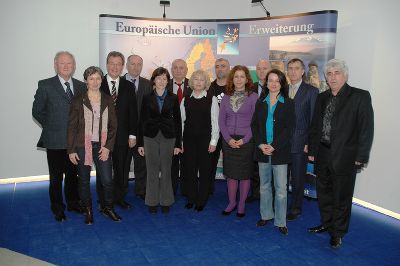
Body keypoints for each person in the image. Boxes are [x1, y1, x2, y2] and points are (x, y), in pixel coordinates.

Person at [307, 59, 374, 248]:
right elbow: (315, 127)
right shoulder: (322, 97)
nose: (333, 77)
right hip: (322, 153)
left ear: (345, 75)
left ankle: (338, 233)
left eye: (337, 72)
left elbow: (366, 129)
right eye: (329, 73)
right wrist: (312, 150)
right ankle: (327, 224)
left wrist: (361, 156)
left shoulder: (360, 96)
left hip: (346, 156)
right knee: (324, 194)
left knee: (341, 197)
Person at [32, 51, 86, 222]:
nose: (66, 66)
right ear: (55, 65)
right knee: (56, 177)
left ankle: (73, 203)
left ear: (74, 65)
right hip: (55, 141)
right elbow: (37, 111)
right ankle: (57, 207)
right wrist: (52, 126)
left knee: (72, 175)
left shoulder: (81, 86)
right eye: (62, 63)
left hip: (75, 142)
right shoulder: (45, 85)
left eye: (69, 63)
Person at [67, 66, 120, 224]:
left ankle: (108, 208)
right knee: (83, 180)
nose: (95, 82)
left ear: (101, 80)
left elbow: (113, 126)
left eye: (98, 78)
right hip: (82, 146)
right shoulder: (78, 100)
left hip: (102, 145)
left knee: (107, 180)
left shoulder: (108, 99)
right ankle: (88, 210)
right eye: (91, 78)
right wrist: (71, 150)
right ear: (86, 81)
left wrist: (107, 147)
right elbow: (72, 127)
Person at [251, 69, 295, 235]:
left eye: (277, 80)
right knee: (264, 186)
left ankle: (280, 221)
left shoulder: (289, 103)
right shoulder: (260, 102)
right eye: (270, 80)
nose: (274, 83)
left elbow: (289, 129)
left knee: (281, 190)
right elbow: (254, 126)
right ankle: (266, 215)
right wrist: (261, 144)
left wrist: (274, 145)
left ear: (282, 83)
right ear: (266, 83)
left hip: (280, 152)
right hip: (263, 150)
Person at [138, 67, 182, 214]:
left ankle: (166, 201)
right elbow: (142, 120)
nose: (162, 81)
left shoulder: (173, 98)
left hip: (168, 137)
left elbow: (178, 122)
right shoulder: (146, 97)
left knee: (166, 169)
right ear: (154, 81)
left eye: (164, 78)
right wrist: (140, 143)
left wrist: (178, 144)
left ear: (167, 81)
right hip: (150, 136)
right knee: (151, 169)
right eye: (159, 78)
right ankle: (151, 201)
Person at [100, 51, 138, 210]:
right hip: (102, 137)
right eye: (112, 63)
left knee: (122, 170)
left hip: (123, 137)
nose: (115, 67)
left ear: (122, 67)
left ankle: (120, 198)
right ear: (107, 64)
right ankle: (104, 200)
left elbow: (133, 112)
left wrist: (132, 134)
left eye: (118, 64)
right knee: (104, 171)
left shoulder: (128, 86)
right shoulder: (97, 83)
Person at [219, 65, 258, 217]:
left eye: (242, 76)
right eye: (236, 76)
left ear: (247, 79)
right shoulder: (226, 97)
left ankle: (241, 203)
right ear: (232, 79)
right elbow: (221, 121)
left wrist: (244, 140)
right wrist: (228, 139)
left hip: (246, 141)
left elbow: (255, 122)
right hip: (229, 141)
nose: (239, 79)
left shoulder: (253, 97)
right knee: (231, 174)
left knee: (244, 174)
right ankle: (231, 202)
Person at [181, 70, 219, 211]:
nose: (198, 82)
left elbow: (215, 122)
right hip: (189, 140)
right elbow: (181, 122)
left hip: (206, 141)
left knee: (205, 171)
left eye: (201, 80)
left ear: (206, 83)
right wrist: (181, 143)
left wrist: (214, 141)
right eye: (195, 79)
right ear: (191, 82)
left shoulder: (212, 99)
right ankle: (191, 198)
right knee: (190, 171)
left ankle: (201, 200)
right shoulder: (185, 99)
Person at [286, 58, 319, 221]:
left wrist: (310, 144)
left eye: (296, 68)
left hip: (301, 143)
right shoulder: (282, 89)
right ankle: (281, 204)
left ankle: (296, 207)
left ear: (302, 71)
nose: (293, 71)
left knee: (298, 179)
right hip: (282, 144)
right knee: (281, 178)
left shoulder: (311, 91)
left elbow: (314, 121)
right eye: (290, 68)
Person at [123, 54, 152, 200]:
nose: (135, 67)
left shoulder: (148, 84)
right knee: (123, 165)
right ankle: (121, 192)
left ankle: (142, 191)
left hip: (142, 133)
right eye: (132, 64)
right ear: (126, 66)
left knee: (142, 165)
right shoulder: (119, 82)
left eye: (139, 64)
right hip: (123, 133)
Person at [247, 59, 271, 203]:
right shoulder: (250, 88)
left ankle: (269, 195)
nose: (262, 71)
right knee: (254, 165)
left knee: (270, 166)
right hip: (253, 132)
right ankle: (256, 193)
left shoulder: (276, 87)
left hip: (270, 133)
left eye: (265, 68)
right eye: (259, 69)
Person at [167, 59, 191, 195]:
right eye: (175, 68)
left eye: (181, 68)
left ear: (186, 70)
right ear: (171, 70)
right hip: (170, 132)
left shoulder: (194, 85)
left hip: (189, 131)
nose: (178, 70)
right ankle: (172, 190)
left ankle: (187, 190)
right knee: (172, 164)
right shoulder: (164, 85)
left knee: (187, 163)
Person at [208, 58, 230, 194]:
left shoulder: (234, 87)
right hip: (214, 133)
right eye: (217, 66)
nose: (220, 69)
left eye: (223, 66)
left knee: (231, 164)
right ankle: (208, 188)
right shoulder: (209, 87)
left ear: (229, 69)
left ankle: (232, 191)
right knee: (210, 162)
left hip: (230, 132)